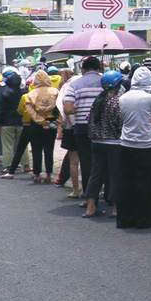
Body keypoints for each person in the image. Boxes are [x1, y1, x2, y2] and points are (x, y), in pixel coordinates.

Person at [117, 66, 151, 230]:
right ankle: (145, 219)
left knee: (126, 182)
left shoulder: (123, 98)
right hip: (146, 143)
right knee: (145, 183)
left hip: (126, 142)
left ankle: (125, 219)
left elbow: (122, 118)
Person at [83, 70, 125, 219]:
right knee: (115, 175)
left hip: (96, 142)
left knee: (96, 175)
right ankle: (116, 209)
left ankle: (90, 207)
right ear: (118, 85)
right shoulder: (118, 101)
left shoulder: (98, 99)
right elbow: (120, 121)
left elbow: (88, 118)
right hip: (113, 143)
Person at [5, 70, 60, 182]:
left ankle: (37, 174)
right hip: (52, 122)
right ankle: (49, 174)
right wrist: (58, 121)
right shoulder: (55, 91)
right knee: (49, 149)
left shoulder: (31, 94)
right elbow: (60, 108)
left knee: (36, 149)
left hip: (36, 124)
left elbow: (30, 111)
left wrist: (40, 121)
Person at [64, 56, 105, 196]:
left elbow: (68, 109)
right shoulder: (107, 82)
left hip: (82, 128)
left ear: (83, 69)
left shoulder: (75, 84)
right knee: (103, 161)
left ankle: (89, 195)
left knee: (86, 163)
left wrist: (80, 107)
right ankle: (106, 193)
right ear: (99, 68)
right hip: (103, 127)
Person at [0, 70, 29, 175]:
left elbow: (0, 110)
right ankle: (26, 165)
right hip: (21, 122)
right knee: (23, 145)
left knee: (7, 146)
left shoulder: (4, 94)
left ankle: (7, 166)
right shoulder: (24, 93)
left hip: (7, 123)